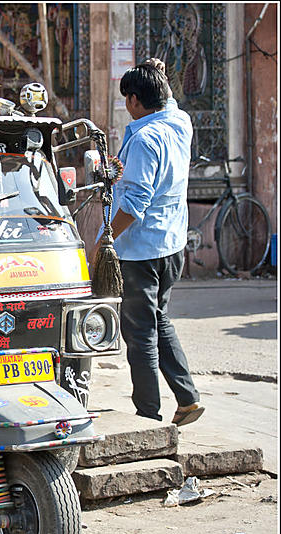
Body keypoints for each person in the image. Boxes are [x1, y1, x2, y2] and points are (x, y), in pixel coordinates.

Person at [97, 58, 202, 426]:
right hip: (172, 244)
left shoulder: (145, 138)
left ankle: (147, 416)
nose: (127, 104)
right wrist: (158, 73)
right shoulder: (178, 121)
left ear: (136, 100)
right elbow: (168, 98)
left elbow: (135, 204)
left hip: (140, 250)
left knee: (140, 334)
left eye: (128, 98)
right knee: (160, 320)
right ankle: (187, 398)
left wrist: (104, 241)